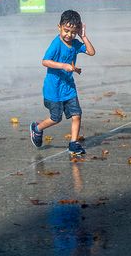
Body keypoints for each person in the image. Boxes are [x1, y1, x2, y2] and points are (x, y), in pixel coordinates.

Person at [30, 9, 96, 157]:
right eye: (66, 30)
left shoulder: (75, 43)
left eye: (73, 32)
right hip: (53, 89)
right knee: (56, 118)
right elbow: (45, 61)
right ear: (59, 27)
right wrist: (63, 65)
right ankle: (37, 128)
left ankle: (73, 143)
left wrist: (83, 36)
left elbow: (91, 52)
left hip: (69, 88)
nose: (69, 35)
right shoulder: (56, 44)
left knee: (77, 114)